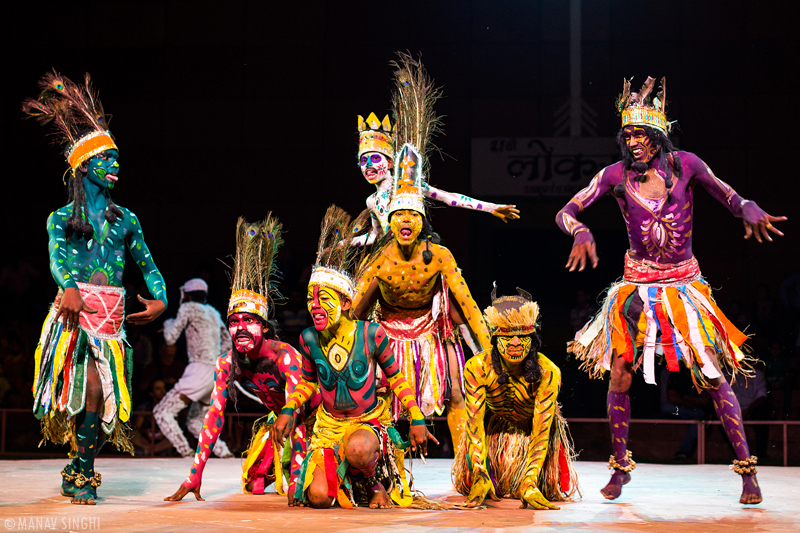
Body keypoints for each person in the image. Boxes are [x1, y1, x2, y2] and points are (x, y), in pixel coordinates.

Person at [557, 76, 786, 505]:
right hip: (637, 288)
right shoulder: (614, 175)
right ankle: (620, 467)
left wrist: (746, 207)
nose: (634, 142)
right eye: (627, 135)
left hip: (683, 285)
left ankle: (747, 472)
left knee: (715, 375)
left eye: (641, 134)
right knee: (621, 374)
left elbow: (728, 195)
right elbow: (566, 210)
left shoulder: (688, 165)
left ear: (659, 135)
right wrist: (580, 229)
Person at [24, 72, 168, 505]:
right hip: (75, 314)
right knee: (86, 390)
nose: (117, 166)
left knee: (105, 400)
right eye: (108, 159)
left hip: (111, 318)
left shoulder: (127, 220)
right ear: (84, 165)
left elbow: (148, 263)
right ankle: (83, 472)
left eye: (118, 159)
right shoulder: (60, 218)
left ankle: (79, 465)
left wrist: (161, 296)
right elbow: (56, 257)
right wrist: (68, 286)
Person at [272, 205, 434, 509]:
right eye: (310, 299)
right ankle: (350, 479)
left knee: (358, 449)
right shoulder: (309, 338)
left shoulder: (371, 334)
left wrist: (416, 416)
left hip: (368, 423)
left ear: (346, 301)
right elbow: (308, 383)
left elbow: (398, 378)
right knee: (319, 498)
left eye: (324, 300)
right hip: (329, 427)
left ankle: (374, 482)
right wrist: (289, 408)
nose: (314, 306)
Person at [164, 216, 319, 502]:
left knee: (315, 492)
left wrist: (298, 478)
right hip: (281, 422)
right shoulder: (227, 362)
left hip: (317, 423)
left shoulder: (284, 356)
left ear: (265, 327)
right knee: (254, 482)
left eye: (249, 320)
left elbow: (297, 413)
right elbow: (214, 415)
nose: (240, 328)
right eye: (234, 321)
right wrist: (195, 473)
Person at [351, 53, 519, 247]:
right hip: (389, 257)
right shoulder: (371, 201)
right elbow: (376, 236)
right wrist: (346, 243)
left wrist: (492, 208)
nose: (369, 165)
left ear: (389, 162)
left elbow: (450, 198)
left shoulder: (408, 184)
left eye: (374, 158)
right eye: (364, 161)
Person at [453, 287, 578, 510]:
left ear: (533, 340)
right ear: (494, 338)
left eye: (522, 337)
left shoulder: (548, 372)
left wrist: (529, 482)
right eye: (507, 337)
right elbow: (474, 426)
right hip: (494, 432)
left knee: (537, 486)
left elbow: (541, 431)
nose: (515, 344)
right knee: (486, 485)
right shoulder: (476, 368)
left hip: (531, 434)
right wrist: (480, 472)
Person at [153, 278, 233, 458]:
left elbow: (171, 338)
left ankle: (186, 452)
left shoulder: (187, 308)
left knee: (161, 412)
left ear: (187, 295)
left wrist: (167, 324)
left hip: (198, 371)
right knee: (196, 422)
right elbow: (228, 342)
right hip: (215, 372)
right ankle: (224, 453)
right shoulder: (213, 312)